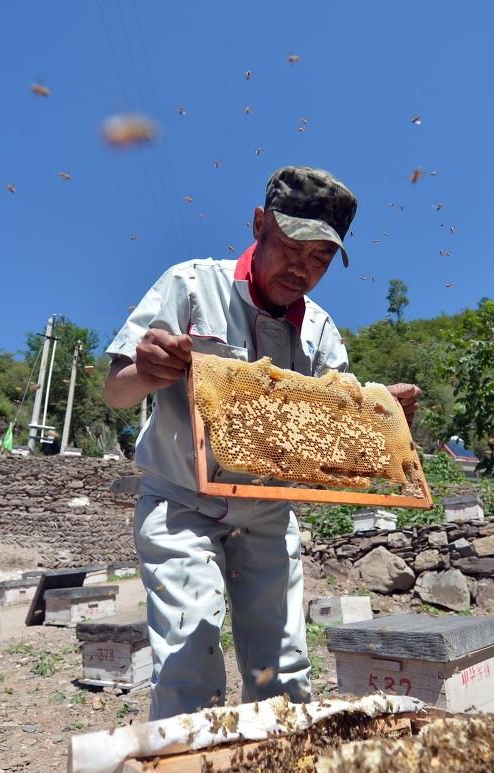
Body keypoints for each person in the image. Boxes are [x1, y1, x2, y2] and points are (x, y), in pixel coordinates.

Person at [103, 165, 421, 719]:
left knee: (283, 672)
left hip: (270, 513)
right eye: (291, 247)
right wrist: (149, 372)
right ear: (258, 225)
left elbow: (333, 443)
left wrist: (379, 419)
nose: (301, 269)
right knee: (188, 661)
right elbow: (116, 392)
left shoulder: (321, 332)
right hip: (182, 502)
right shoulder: (190, 285)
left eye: (319, 258)